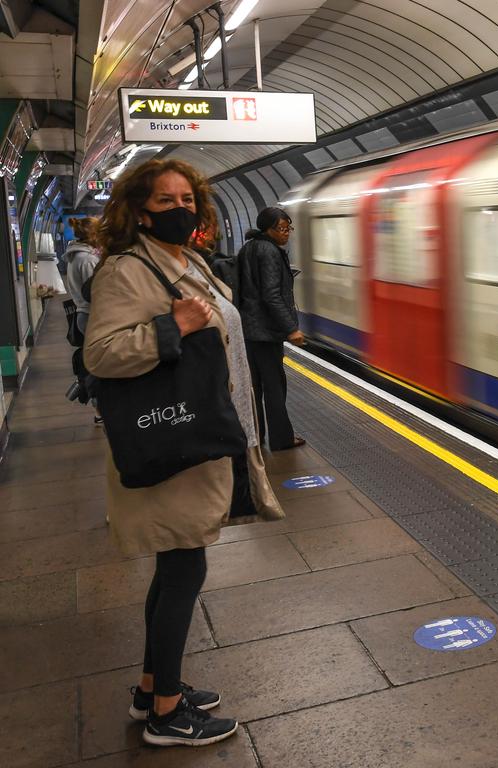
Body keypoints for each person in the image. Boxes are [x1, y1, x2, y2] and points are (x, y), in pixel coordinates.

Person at [84, 159, 285, 748]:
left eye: (186, 198)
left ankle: (154, 686)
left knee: (175, 566)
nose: (180, 209)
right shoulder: (125, 270)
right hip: (173, 439)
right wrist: (170, 326)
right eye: (164, 201)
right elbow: (102, 355)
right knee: (183, 567)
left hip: (201, 433)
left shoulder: (187, 260)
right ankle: (167, 716)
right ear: (138, 210)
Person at [235, 207, 306, 451]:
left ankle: (256, 436)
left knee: (254, 387)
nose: (286, 233)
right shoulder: (270, 251)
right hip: (265, 332)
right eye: (281, 229)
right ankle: (282, 439)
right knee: (275, 385)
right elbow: (271, 294)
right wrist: (291, 328)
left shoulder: (248, 248)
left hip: (248, 329)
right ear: (268, 229)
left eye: (288, 228)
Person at [64, 217, 100, 336]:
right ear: (94, 235)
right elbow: (94, 292)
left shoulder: (77, 255)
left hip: (84, 314)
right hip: (92, 316)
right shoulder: (87, 260)